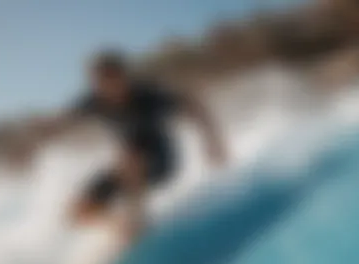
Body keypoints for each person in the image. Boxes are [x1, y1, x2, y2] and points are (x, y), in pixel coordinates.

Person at [18, 50, 227, 241]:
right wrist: (32, 141)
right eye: (98, 81)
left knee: (129, 158)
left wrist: (212, 142)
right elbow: (60, 122)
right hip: (127, 168)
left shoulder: (148, 95)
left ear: (123, 75)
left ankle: (140, 224)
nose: (106, 87)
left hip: (162, 161)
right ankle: (119, 228)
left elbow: (194, 106)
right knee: (76, 212)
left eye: (110, 78)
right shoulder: (94, 101)